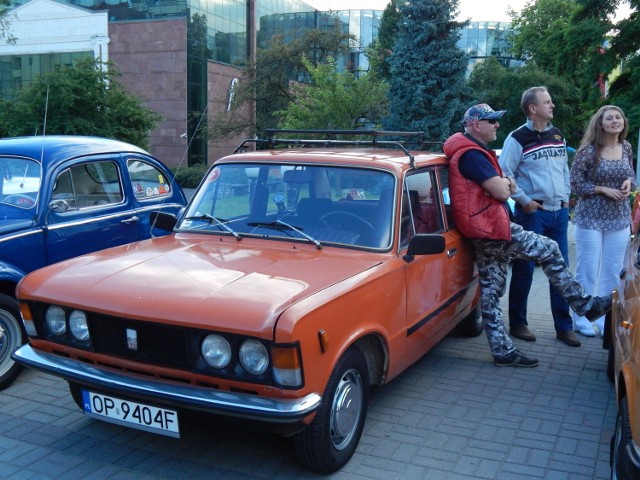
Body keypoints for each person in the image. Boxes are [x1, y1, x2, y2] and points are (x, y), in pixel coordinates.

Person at [443, 103, 612, 367]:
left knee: (490, 291)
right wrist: (508, 183)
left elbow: (499, 185)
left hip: (483, 229)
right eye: (492, 121)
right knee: (550, 249)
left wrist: (505, 183)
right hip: (492, 230)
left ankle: (502, 352)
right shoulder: (471, 155)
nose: (497, 125)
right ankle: (586, 306)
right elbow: (501, 191)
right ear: (476, 124)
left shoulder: (470, 151)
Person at [499, 86, 579, 347]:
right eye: (547, 102)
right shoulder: (517, 138)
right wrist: (524, 201)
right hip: (533, 214)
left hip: (559, 212)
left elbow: (564, 169)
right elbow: (505, 174)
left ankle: (563, 327)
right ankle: (518, 324)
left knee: (561, 271)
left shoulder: (557, 134)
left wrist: (566, 196)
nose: (552, 105)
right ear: (533, 109)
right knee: (524, 270)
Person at [571, 105, 636, 337]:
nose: (615, 121)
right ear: (600, 124)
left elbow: (631, 175)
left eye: (618, 117)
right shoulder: (589, 151)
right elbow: (575, 184)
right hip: (590, 218)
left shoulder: (626, 147)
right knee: (587, 269)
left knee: (612, 271)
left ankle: (606, 318)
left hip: (618, 218)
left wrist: (629, 181)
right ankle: (581, 319)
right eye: (610, 118)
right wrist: (601, 189)